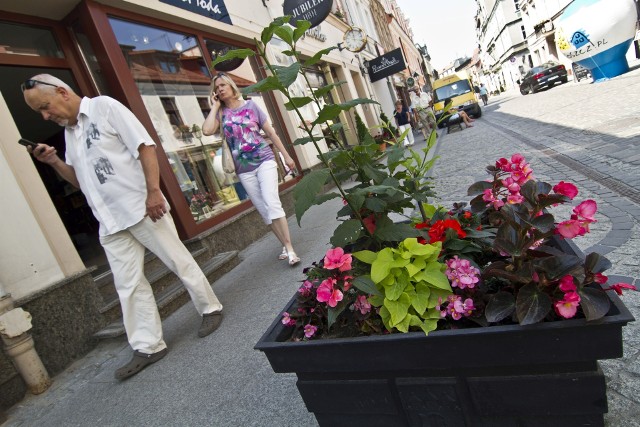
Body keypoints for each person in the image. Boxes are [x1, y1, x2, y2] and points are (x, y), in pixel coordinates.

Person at [22, 74, 224, 380]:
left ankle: (210, 309)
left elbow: (145, 147)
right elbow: (82, 182)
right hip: (110, 222)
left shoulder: (105, 107)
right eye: (40, 112)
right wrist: (53, 163)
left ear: (63, 92)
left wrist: (154, 192)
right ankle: (148, 345)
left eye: (45, 107)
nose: (45, 115)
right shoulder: (70, 134)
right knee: (128, 285)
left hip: (142, 208)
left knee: (178, 261)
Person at [202, 73, 300, 266]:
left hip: (264, 160)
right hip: (244, 169)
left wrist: (287, 156)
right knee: (264, 212)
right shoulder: (221, 113)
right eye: (217, 87)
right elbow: (206, 130)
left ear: (231, 86)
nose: (220, 89)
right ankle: (284, 244)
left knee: (272, 203)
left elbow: (271, 133)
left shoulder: (251, 106)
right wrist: (214, 106)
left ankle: (290, 248)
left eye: (223, 85)